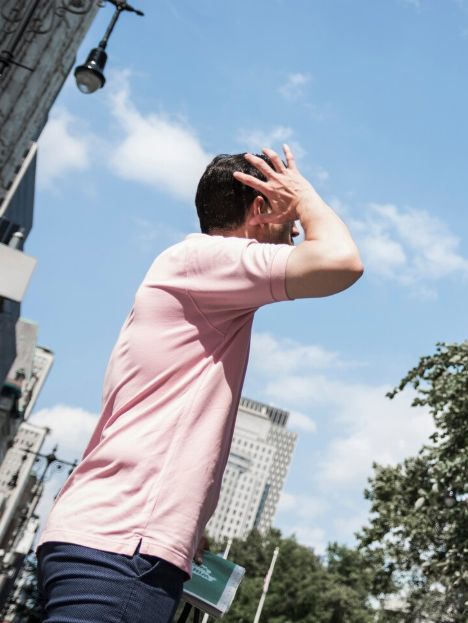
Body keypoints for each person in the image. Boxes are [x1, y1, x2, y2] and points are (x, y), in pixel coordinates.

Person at [35, 146, 363, 622]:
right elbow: (342, 261)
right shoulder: (206, 260)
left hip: (110, 539)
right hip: (122, 545)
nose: (296, 230)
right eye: (289, 216)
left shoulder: (194, 273)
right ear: (260, 208)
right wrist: (306, 196)